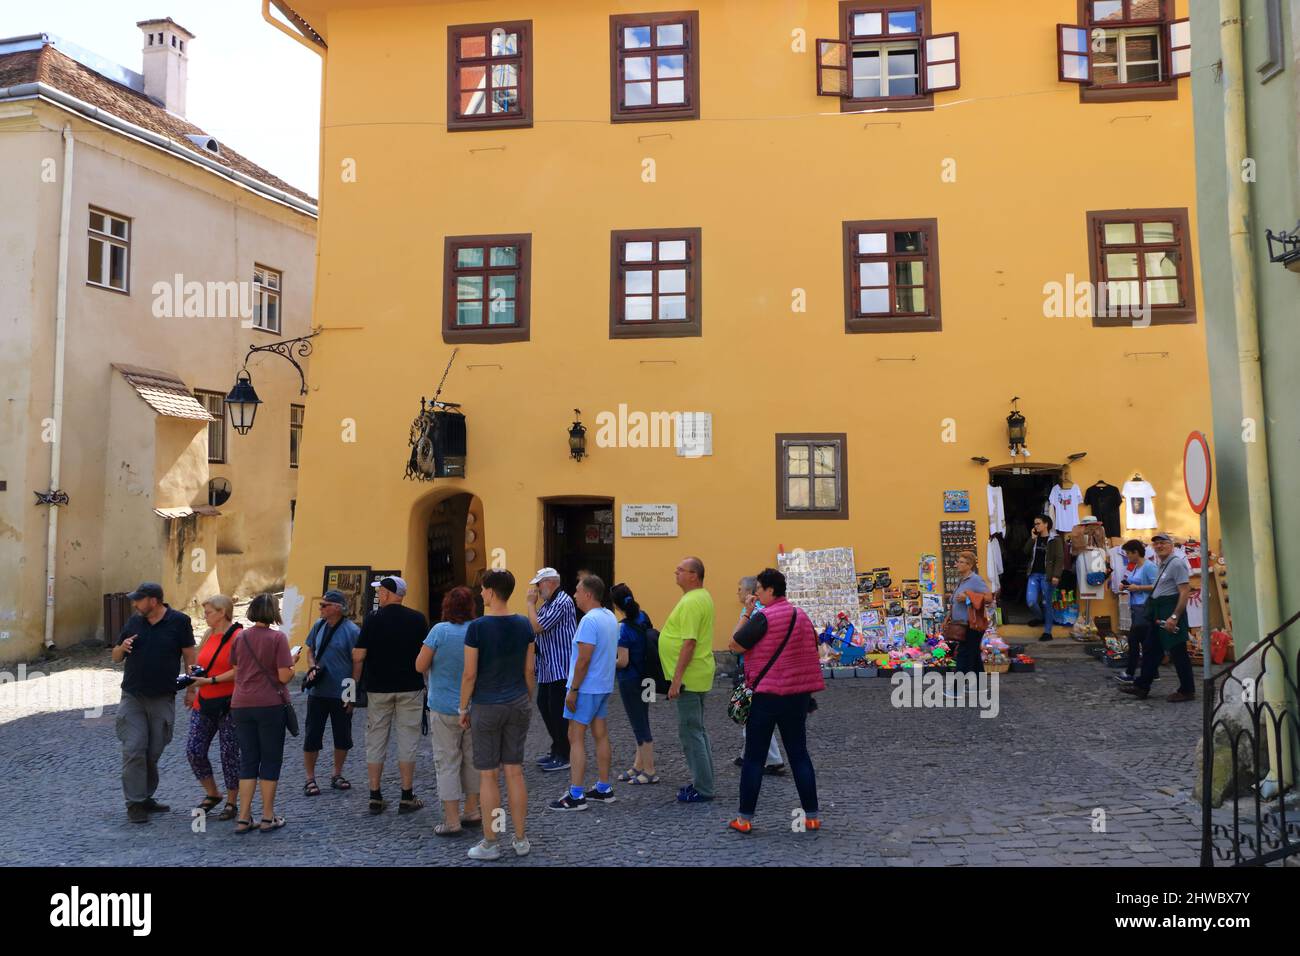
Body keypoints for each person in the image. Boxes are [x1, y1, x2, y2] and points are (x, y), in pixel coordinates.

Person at [726, 568, 824, 834]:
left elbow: (735, 645)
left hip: (766, 696)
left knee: (754, 758)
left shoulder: (762, 617)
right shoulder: (801, 615)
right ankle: (812, 816)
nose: (755, 593)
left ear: (770, 590)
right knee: (799, 755)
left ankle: (744, 819)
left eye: (758, 588)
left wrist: (747, 613)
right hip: (796, 696)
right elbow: (809, 650)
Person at [460, 569, 537, 861]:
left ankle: (491, 842)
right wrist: (526, 698)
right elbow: (529, 670)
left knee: (488, 776)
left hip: (486, 705)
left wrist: (462, 707)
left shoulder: (477, 628)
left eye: (483, 589)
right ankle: (520, 839)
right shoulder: (523, 625)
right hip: (517, 700)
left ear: (491, 592)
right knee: (515, 772)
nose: (481, 594)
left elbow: (469, 674)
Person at [111, 582, 196, 823]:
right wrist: (122, 647)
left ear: (154, 601)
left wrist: (193, 689)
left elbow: (190, 656)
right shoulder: (134, 622)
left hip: (163, 696)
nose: (134, 604)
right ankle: (135, 803)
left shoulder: (179, 622)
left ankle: (146, 796)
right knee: (134, 747)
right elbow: (115, 657)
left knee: (153, 750)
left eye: (139, 600)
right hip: (133, 696)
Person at [352, 576, 429, 815]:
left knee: (376, 740)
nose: (379, 595)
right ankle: (406, 795)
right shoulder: (418, 619)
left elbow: (358, 656)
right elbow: (426, 654)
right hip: (410, 687)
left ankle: (375, 795)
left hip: (378, 688)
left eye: (381, 591)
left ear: (388, 593)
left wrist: (354, 682)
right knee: (408, 741)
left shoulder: (373, 620)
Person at [226, 592, 295, 833]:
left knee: (248, 760)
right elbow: (284, 676)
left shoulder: (240, 638)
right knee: (270, 759)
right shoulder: (277, 639)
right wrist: (292, 666)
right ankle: (267, 816)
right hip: (269, 705)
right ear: (274, 612)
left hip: (241, 704)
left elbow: (237, 669)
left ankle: (243, 817)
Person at [549, 575, 620, 811]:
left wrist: (574, 689)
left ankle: (576, 794)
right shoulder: (610, 616)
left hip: (586, 687)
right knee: (600, 733)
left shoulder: (588, 621)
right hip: (603, 685)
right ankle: (603, 787)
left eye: (577, 591)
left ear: (588, 594)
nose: (574, 595)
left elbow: (583, 659)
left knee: (575, 736)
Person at [416, 586, 482, 836]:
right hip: (473, 706)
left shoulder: (439, 631)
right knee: (473, 760)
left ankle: (452, 820)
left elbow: (420, 664)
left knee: (447, 763)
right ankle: (472, 810)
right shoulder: (477, 630)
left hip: (443, 706)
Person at [660, 556, 717, 803]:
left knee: (691, 732)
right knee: (697, 730)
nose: (676, 572)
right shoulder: (699, 597)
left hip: (689, 678)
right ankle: (704, 781)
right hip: (697, 674)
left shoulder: (693, 602)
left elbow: (689, 642)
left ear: (694, 575)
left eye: (681, 570)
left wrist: (676, 680)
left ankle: (703, 788)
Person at [183, 595, 242, 821]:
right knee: (194, 750)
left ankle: (232, 801)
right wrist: (192, 682)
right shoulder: (208, 635)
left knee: (229, 754)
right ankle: (212, 793)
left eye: (208, 612)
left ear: (222, 612)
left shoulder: (238, 636)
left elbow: (239, 670)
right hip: (204, 702)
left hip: (229, 703)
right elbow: (201, 665)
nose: (205, 616)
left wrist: (212, 681)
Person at [1120, 533, 1196, 702]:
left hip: (1170, 611)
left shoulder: (1176, 563)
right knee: (1151, 650)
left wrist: (1175, 617)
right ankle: (1142, 686)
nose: (1159, 546)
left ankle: (1187, 690)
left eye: (1163, 543)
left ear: (1171, 545)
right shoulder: (1162, 564)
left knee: (1178, 651)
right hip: (1159, 612)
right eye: (1156, 544)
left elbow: (1184, 591)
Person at [302, 589, 360, 796]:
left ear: (337, 608)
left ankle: (337, 774)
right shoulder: (318, 626)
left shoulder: (352, 632)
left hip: (341, 691)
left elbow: (357, 663)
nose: (320, 608)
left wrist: (351, 693)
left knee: (342, 736)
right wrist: (312, 666)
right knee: (312, 736)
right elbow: (309, 650)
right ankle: (310, 778)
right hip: (318, 692)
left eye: (324, 605)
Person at [732, 575, 785, 774]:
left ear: (749, 593)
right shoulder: (760, 611)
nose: (737, 592)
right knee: (750, 712)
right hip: (759, 670)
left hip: (754, 670)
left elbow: (737, 642)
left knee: (753, 714)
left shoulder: (753, 613)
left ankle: (773, 759)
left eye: (739, 589)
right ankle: (747, 753)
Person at [525, 568, 576, 773]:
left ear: (550, 582)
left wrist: (530, 604)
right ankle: (557, 748)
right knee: (545, 706)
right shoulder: (549, 603)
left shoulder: (562, 601)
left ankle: (564, 754)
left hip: (560, 667)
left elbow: (537, 627)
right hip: (548, 667)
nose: (537, 589)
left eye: (539, 584)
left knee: (557, 711)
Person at [611, 583, 658, 785]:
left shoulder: (622, 628)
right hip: (648, 678)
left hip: (631, 680)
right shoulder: (643, 616)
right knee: (643, 720)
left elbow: (622, 661)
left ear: (616, 606)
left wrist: (604, 661)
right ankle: (638, 765)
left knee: (639, 724)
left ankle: (649, 770)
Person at [1116, 540, 1158, 683]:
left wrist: (1138, 588)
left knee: (1134, 640)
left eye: (1128, 553)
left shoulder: (1149, 567)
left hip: (1144, 607)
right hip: (1136, 607)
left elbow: (1156, 586)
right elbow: (1135, 583)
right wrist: (1126, 586)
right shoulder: (1135, 567)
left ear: (1136, 552)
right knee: (1145, 641)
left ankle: (1130, 672)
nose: (1127, 556)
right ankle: (1153, 672)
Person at [948, 551, 991, 679]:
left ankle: (956, 689)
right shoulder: (962, 580)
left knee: (963, 655)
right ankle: (979, 686)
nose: (957, 564)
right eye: (958, 562)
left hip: (972, 625)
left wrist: (968, 598)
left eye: (961, 562)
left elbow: (988, 598)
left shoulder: (975, 580)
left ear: (969, 565)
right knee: (974, 656)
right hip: (962, 624)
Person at [1024, 514, 1064, 642]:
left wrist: (1056, 575)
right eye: (1035, 524)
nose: (1036, 526)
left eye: (1038, 523)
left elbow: (1059, 559)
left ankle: (1047, 632)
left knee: (1047, 603)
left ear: (1046, 524)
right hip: (1034, 575)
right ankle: (1039, 617)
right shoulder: (1035, 538)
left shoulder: (1055, 539)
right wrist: (1032, 539)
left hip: (1047, 576)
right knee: (1031, 601)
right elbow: (1025, 551)